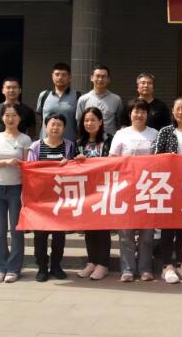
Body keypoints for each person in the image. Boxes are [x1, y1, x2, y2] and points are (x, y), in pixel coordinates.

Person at [109, 98, 159, 282]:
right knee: (126, 232)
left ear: (148, 114)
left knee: (147, 233)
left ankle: (145, 268)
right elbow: (112, 160)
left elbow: (160, 161)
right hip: (126, 188)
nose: (139, 115)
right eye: (136, 111)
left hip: (148, 188)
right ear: (130, 114)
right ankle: (127, 269)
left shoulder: (155, 134)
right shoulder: (121, 134)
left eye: (143, 111)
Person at [0, 103, 32, 284]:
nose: (10, 119)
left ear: (20, 118)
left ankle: (13, 268)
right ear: (2, 118)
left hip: (16, 188)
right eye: (7, 115)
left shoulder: (25, 139)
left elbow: (27, 167)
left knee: (16, 230)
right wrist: (5, 162)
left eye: (14, 115)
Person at [154, 97, 182, 284]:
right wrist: (168, 158)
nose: (181, 112)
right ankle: (167, 266)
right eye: (178, 108)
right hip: (168, 185)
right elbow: (156, 157)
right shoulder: (165, 131)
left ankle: (181, 263)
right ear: (173, 111)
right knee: (168, 226)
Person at [27, 113, 76, 282]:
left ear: (64, 128)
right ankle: (42, 267)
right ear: (46, 126)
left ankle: (56, 266)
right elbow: (30, 171)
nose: (55, 128)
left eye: (59, 125)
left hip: (61, 198)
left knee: (59, 234)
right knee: (40, 235)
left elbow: (76, 169)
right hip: (40, 198)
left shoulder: (69, 146)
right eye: (52, 124)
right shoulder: (35, 146)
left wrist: (69, 164)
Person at [74, 107, 113, 281]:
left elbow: (113, 161)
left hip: (104, 189)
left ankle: (103, 264)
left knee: (103, 228)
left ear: (101, 122)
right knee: (89, 227)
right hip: (86, 190)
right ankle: (92, 261)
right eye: (86, 120)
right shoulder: (78, 142)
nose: (89, 123)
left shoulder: (108, 139)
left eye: (93, 120)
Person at [35, 62, 80, 142]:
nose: (60, 77)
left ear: (70, 78)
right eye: (57, 74)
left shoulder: (77, 96)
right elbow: (41, 118)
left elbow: (80, 121)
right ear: (52, 76)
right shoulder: (44, 95)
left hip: (69, 143)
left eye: (64, 75)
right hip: (45, 143)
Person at [76, 64, 124, 137]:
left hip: (110, 140)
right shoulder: (83, 99)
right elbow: (79, 122)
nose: (100, 79)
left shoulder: (116, 99)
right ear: (92, 78)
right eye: (97, 76)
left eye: (103, 76)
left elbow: (120, 123)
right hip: (89, 140)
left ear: (108, 79)